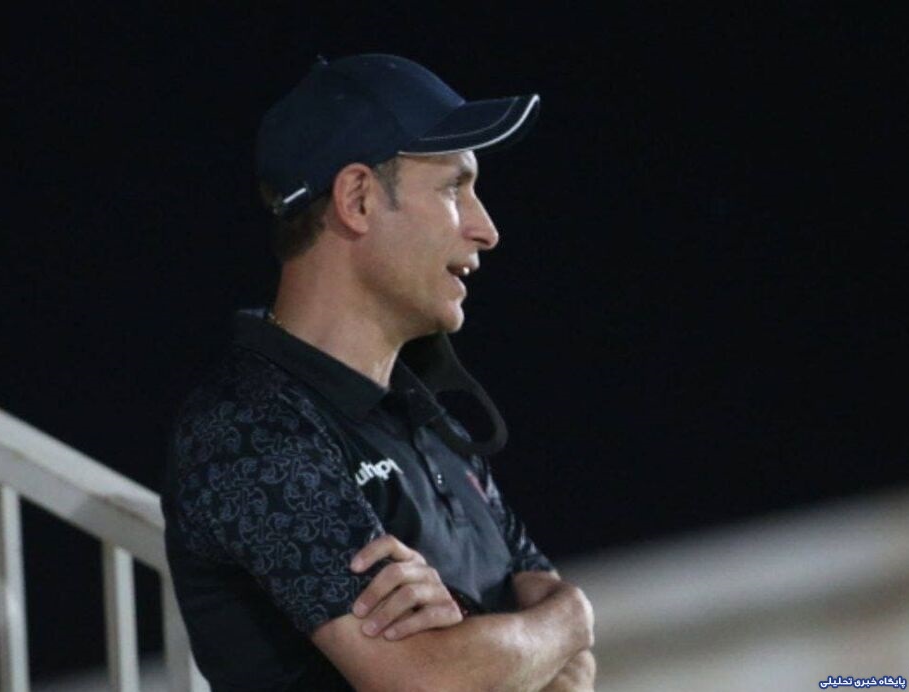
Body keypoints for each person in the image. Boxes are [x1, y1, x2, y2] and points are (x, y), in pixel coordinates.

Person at [163, 54, 595, 691]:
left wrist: (539, 625)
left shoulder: (426, 416)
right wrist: (566, 622)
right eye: (454, 189)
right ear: (358, 199)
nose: (487, 230)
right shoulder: (249, 429)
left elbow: (573, 669)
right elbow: (426, 682)